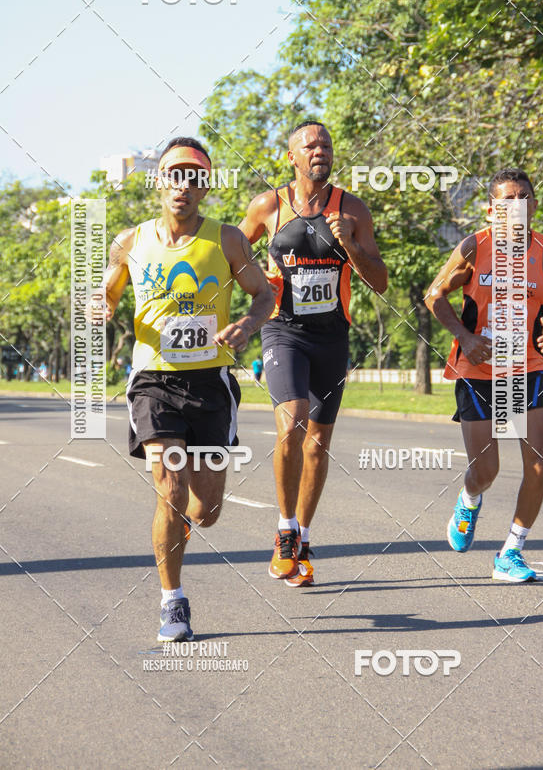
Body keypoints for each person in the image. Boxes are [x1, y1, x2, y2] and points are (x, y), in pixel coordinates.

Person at [102, 137, 274, 640]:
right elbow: (107, 292)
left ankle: (176, 525)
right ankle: (172, 600)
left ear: (205, 185)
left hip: (211, 382)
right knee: (171, 485)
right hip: (153, 379)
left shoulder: (227, 241)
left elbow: (263, 295)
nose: (183, 185)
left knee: (207, 509)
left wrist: (246, 325)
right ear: (160, 181)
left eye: (193, 176)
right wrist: (102, 304)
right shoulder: (130, 241)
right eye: (174, 175)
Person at [239, 121, 387, 586]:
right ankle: (284, 531)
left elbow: (380, 282)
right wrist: (254, 287)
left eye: (325, 144)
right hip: (283, 332)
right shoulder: (269, 206)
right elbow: (233, 255)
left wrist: (348, 243)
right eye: (310, 145)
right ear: (292, 157)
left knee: (318, 445)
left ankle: (302, 538)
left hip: (332, 337)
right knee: (293, 422)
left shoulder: (353, 208)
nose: (319, 150)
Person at [425, 168, 543, 582]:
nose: (518, 207)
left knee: (539, 463)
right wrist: (463, 336)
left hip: (525, 369)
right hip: (478, 371)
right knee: (486, 471)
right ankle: (470, 498)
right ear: (493, 210)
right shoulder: (476, 247)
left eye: (525, 198)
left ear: (535, 204)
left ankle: (511, 551)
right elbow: (434, 295)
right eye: (508, 201)